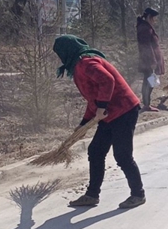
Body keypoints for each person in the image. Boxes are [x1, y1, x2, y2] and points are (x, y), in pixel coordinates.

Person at [53, 35, 146, 209]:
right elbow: (93, 98)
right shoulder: (79, 66)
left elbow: (107, 80)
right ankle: (92, 195)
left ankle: (138, 194)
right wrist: (83, 124)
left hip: (124, 110)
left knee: (122, 155)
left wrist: (102, 106)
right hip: (109, 114)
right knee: (95, 151)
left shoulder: (86, 62)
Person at [136, 7, 165, 111]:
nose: (155, 20)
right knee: (149, 82)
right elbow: (146, 46)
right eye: (154, 18)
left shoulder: (146, 27)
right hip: (149, 61)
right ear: (149, 17)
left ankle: (146, 102)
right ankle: (146, 104)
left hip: (151, 60)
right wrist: (152, 61)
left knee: (150, 82)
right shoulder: (145, 28)